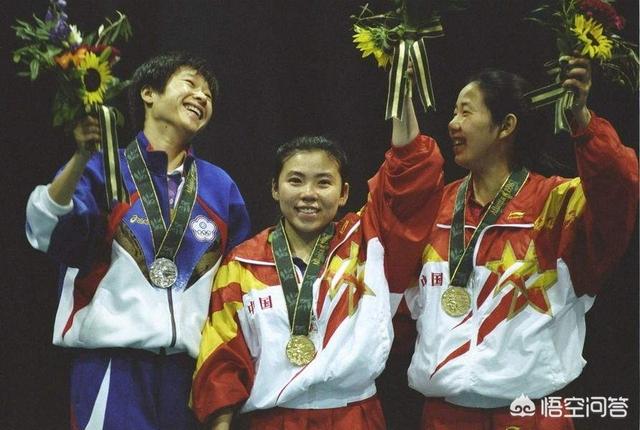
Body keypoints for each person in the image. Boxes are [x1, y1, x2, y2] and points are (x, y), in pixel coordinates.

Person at [405, 57, 639, 429]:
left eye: (466, 112)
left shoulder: (556, 205)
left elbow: (618, 187)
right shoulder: (435, 208)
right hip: (444, 417)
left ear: (506, 126)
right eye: (453, 112)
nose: (452, 123)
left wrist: (583, 122)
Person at [190, 90, 444, 429]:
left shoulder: (368, 241)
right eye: (295, 181)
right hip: (273, 421)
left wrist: (402, 95)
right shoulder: (242, 263)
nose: (308, 194)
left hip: (354, 417)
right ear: (275, 188)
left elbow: (410, 176)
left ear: (343, 193)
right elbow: (222, 357)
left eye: (323, 183)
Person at [25, 52, 251, 429]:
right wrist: (80, 159)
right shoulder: (104, 168)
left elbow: (234, 289)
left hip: (188, 377)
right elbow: (47, 230)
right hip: (115, 368)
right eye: (190, 84)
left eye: (209, 94)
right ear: (149, 93)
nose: (202, 96)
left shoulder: (220, 187)